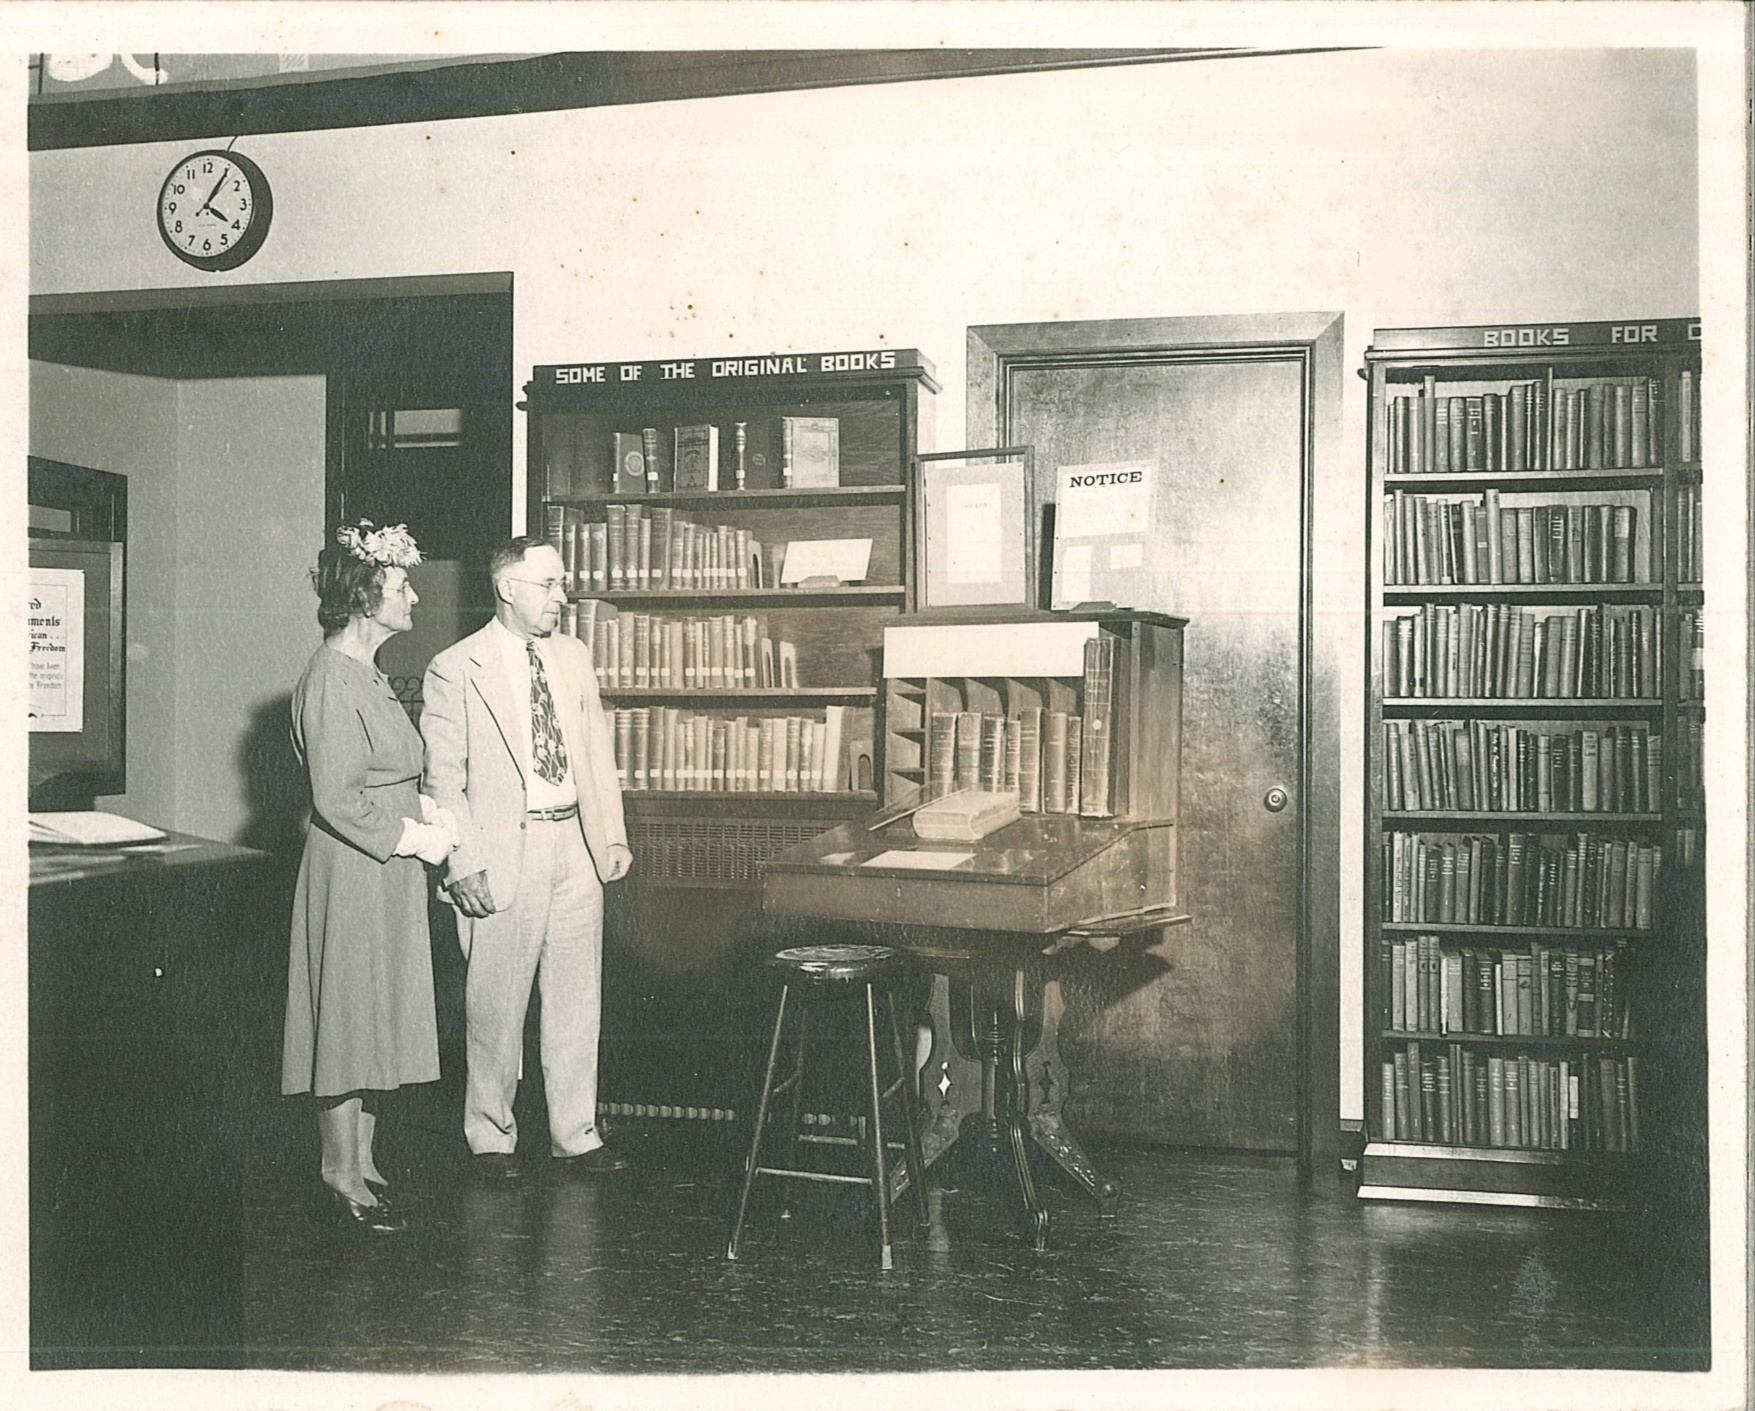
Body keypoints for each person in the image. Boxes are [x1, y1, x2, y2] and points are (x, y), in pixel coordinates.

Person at [421, 535, 632, 1181]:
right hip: (501, 852)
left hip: (574, 845)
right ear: (509, 587)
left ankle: (577, 1133)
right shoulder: (456, 666)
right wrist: (464, 864)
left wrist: (612, 836)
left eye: (562, 584)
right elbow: (442, 780)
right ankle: (490, 1136)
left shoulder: (572, 656)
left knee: (576, 1002)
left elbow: (596, 754)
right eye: (550, 585)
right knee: (495, 1005)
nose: (562, 598)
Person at [283, 521, 454, 1234]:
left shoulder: (368, 673)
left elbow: (390, 769)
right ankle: (337, 1170)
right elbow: (337, 796)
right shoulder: (329, 677)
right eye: (402, 585)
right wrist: (413, 833)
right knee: (348, 1020)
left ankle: (366, 1160)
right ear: (364, 597)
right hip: (354, 869)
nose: (413, 595)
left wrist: (431, 813)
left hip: (384, 870)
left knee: (378, 1013)